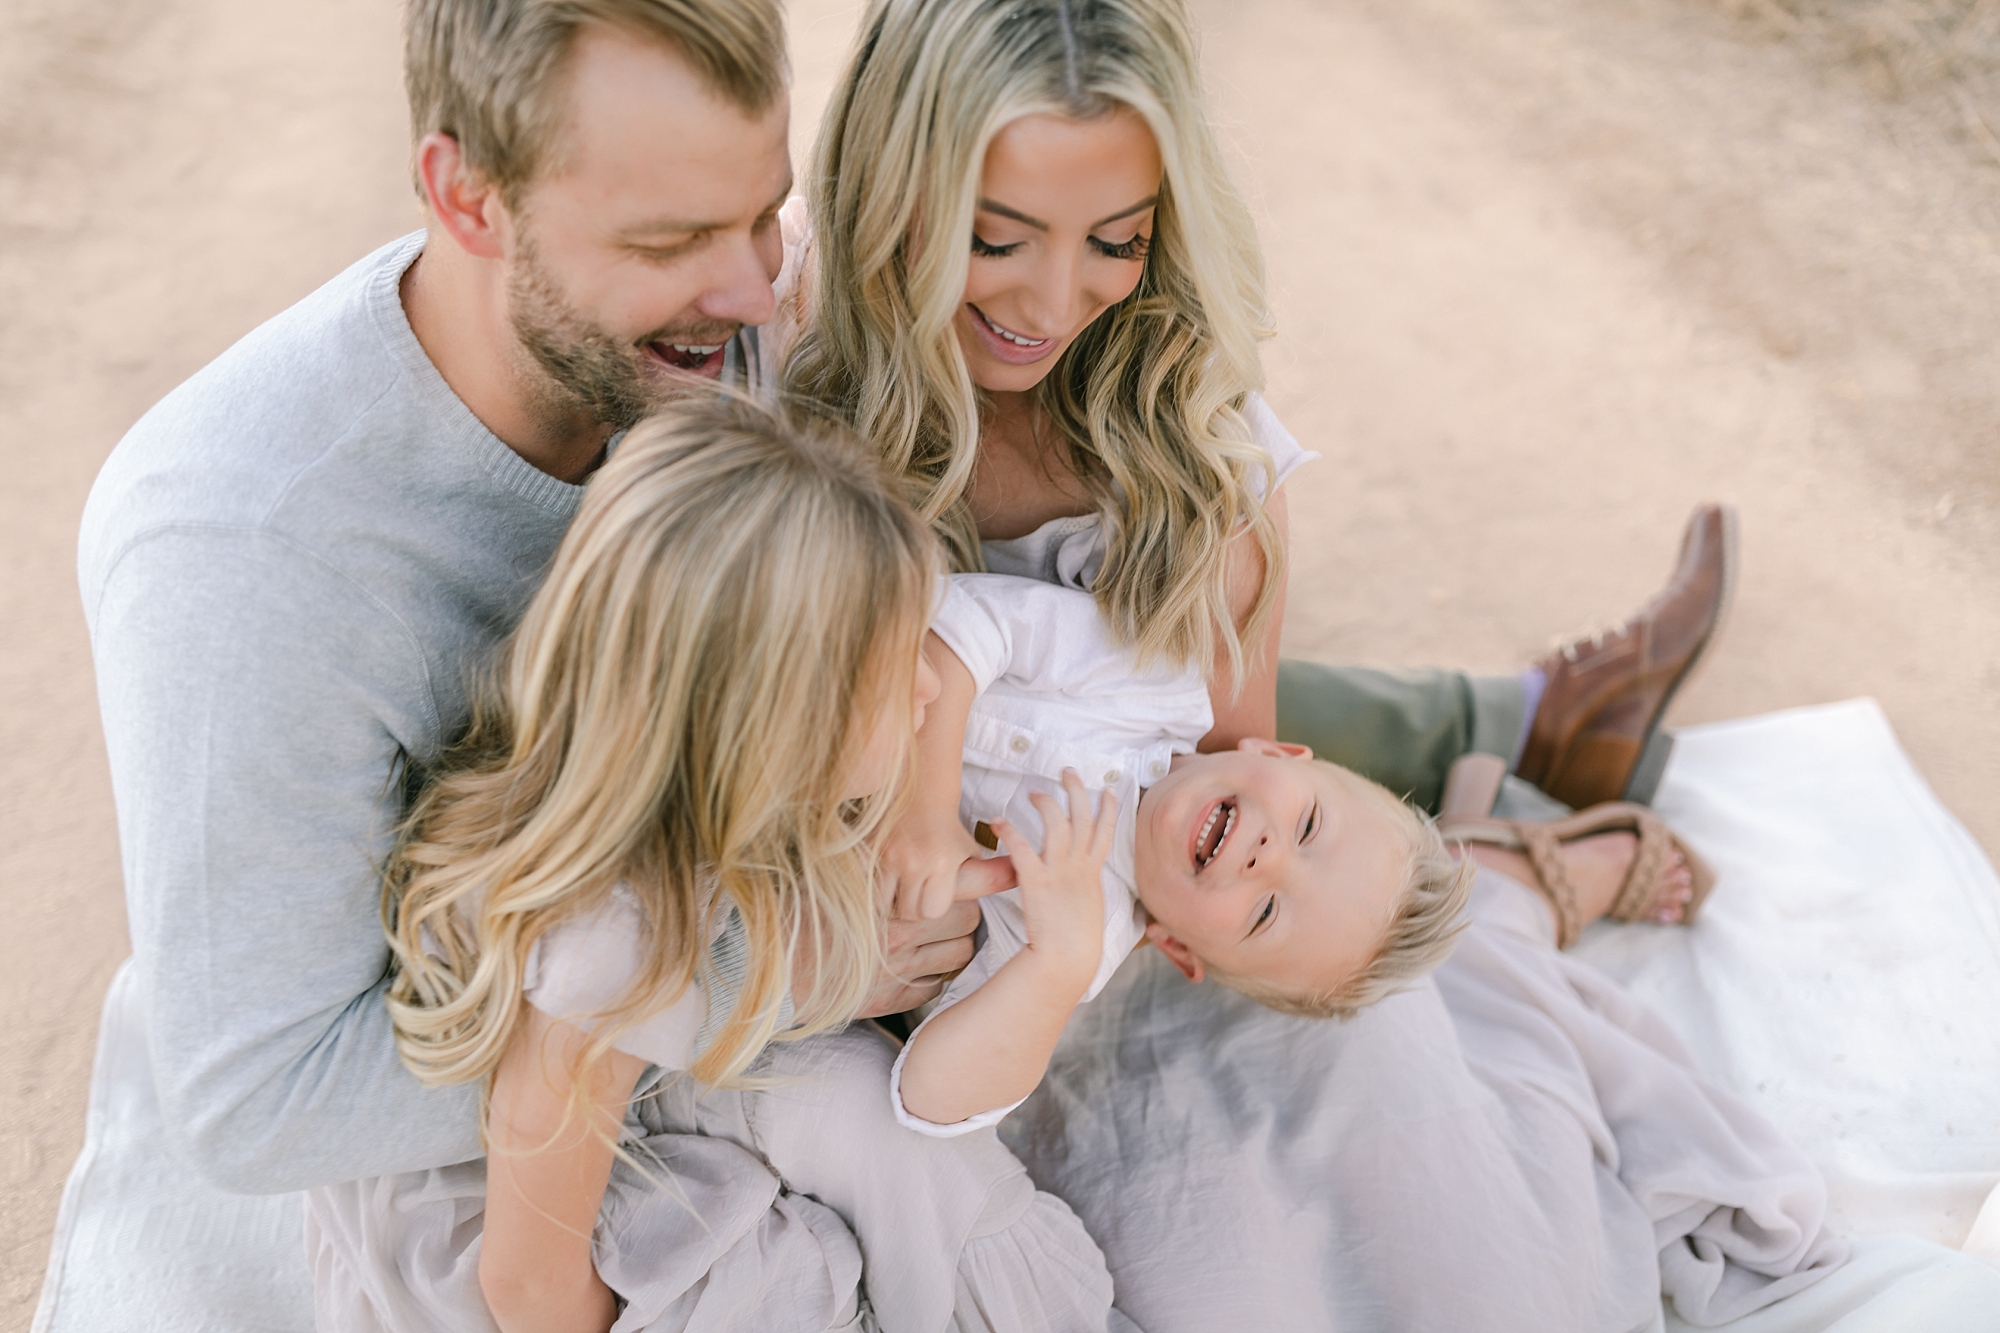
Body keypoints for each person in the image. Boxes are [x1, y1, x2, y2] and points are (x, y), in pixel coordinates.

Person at [77, 0, 986, 1208]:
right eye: (671, 242)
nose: (758, 292)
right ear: (466, 198)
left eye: (764, 212)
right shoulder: (242, 544)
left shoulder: (727, 322)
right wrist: (773, 972)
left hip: (768, 1152)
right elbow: (265, 1105)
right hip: (410, 1242)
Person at [779, 0, 1735, 921]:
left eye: (1119, 240)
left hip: (1070, 909)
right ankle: (1534, 722)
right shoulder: (769, 334)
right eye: (993, 239)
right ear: (888, 175)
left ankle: (1517, 829)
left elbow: (1233, 809)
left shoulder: (1187, 449)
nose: (1051, 306)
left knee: (1324, 904)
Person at [306, 398, 1121, 1333]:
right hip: (525, 1261)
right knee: (796, 1265)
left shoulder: (699, 812)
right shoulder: (606, 944)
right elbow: (529, 1288)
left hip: (636, 1123)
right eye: (900, 661)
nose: (935, 683)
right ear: (777, 713)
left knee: (876, 1133)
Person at [889, 571, 1478, 1135]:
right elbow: (958, 616)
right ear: (1274, 753)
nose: (1267, 859)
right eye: (1308, 824)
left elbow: (929, 1098)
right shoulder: (1154, 677)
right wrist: (924, 812)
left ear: (1174, 944)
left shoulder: (1078, 939)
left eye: (1266, 912)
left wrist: (1053, 970)